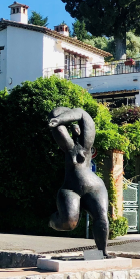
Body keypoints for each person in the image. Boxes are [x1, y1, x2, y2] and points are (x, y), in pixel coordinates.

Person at [47, 107, 109, 256]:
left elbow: (82, 114)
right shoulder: (68, 147)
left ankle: (102, 252)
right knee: (69, 223)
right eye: (72, 128)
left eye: (77, 128)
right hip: (71, 189)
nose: (75, 130)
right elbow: (55, 119)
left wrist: (62, 119)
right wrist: (57, 120)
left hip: (95, 187)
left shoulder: (86, 146)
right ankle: (52, 221)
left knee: (102, 218)